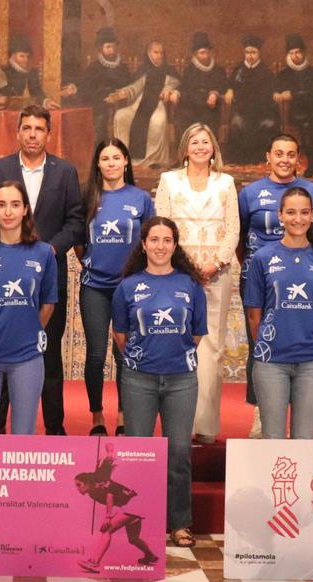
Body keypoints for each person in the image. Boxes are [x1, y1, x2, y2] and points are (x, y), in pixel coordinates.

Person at [0, 105, 83, 435]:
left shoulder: (64, 172)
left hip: (48, 277)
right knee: (2, 350)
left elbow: (76, 220)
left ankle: (54, 428)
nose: (33, 134)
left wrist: (49, 250)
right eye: (27, 128)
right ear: (18, 132)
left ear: (48, 134)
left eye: (39, 128)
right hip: (3, 278)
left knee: (46, 353)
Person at [112, 216, 207, 548]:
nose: (161, 246)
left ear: (175, 245)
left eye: (167, 240)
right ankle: (140, 522)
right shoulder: (127, 286)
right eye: (154, 240)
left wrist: (173, 355)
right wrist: (143, 359)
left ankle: (180, 523)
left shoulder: (190, 285)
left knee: (179, 452)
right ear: (143, 244)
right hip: (139, 379)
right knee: (138, 454)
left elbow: (196, 333)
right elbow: (121, 335)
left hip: (182, 379)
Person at [155, 123, 239, 444]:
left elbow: (233, 229)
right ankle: (179, 426)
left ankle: (204, 426)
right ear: (185, 147)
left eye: (206, 141)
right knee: (178, 344)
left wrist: (215, 263)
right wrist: (185, 267)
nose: (201, 147)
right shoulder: (169, 181)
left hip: (216, 274)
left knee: (211, 347)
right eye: (194, 141)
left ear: (214, 147)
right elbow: (161, 227)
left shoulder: (226, 183)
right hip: (177, 274)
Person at [237, 134, 313, 437]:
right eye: (278, 154)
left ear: (298, 159)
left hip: (300, 276)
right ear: (268, 157)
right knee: (259, 347)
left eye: (291, 154)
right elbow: (240, 238)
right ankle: (264, 414)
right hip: (260, 277)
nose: (284, 160)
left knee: (297, 344)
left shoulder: (311, 190)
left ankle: (293, 412)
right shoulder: (250, 193)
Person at [244, 187, 313, 439]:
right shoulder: (262, 257)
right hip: (271, 363)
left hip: (312, 363)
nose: (298, 219)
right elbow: (255, 315)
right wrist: (268, 344)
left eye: (305, 212)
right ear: (280, 215)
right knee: (272, 439)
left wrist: (306, 335)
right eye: (292, 212)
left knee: (303, 441)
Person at [0, 181, 58, 435]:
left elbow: (48, 303)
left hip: (27, 356)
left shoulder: (43, 253)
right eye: (2, 205)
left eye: (15, 205)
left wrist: (30, 330)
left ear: (26, 209)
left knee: (23, 435)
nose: (8, 212)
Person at [77, 138, 155, 436]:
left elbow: (151, 237)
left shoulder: (141, 198)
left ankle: (123, 416)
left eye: (116, 157)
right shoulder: (88, 198)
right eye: (105, 158)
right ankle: (97, 417)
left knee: (124, 353)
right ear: (98, 163)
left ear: (125, 162)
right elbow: (79, 241)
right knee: (96, 354)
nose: (110, 163)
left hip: (130, 288)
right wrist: (91, 262)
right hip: (94, 287)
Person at [74, 454, 158, 573]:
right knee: (133, 539)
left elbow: (110, 496)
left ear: (87, 483)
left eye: (79, 485)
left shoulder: (95, 489)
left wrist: (108, 517)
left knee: (107, 530)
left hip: (134, 503)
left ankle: (94, 562)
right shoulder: (95, 488)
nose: (77, 489)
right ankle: (151, 556)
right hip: (136, 503)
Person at [110, 40, 180, 169]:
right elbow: (135, 87)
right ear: (148, 54)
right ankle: (124, 156)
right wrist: (124, 93)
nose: (159, 55)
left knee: (157, 122)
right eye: (155, 52)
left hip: (158, 106)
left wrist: (169, 91)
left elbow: (174, 84)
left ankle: (154, 160)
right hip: (138, 105)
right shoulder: (143, 70)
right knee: (120, 116)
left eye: (161, 53)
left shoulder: (169, 71)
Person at [274, 33, 313, 176]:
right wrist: (279, 95)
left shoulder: (311, 72)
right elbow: (276, 92)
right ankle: (311, 163)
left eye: (298, 52)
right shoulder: (283, 74)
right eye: (292, 53)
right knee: (306, 125)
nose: (295, 56)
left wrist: (293, 94)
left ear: (303, 53)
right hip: (296, 112)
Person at [225, 34, 280, 164]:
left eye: (253, 52)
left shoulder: (266, 71)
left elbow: (275, 88)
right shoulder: (238, 70)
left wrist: (277, 92)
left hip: (262, 110)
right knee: (237, 124)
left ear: (259, 54)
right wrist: (230, 90)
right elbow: (230, 84)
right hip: (242, 109)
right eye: (247, 52)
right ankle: (239, 159)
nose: (250, 56)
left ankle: (258, 158)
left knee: (268, 125)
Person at [70, 26, 132, 137]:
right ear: (101, 49)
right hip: (99, 104)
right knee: (100, 119)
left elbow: (130, 86)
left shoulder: (123, 68)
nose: (112, 51)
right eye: (108, 47)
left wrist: (119, 95)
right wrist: (76, 89)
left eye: (113, 47)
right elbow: (85, 87)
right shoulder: (94, 67)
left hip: (121, 103)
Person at [174, 32, 228, 133]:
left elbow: (223, 87)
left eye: (207, 53)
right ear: (195, 54)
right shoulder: (189, 70)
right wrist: (177, 92)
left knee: (210, 124)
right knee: (183, 120)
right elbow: (184, 87)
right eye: (202, 53)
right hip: (190, 110)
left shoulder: (218, 70)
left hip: (210, 110)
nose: (206, 56)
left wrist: (215, 94)